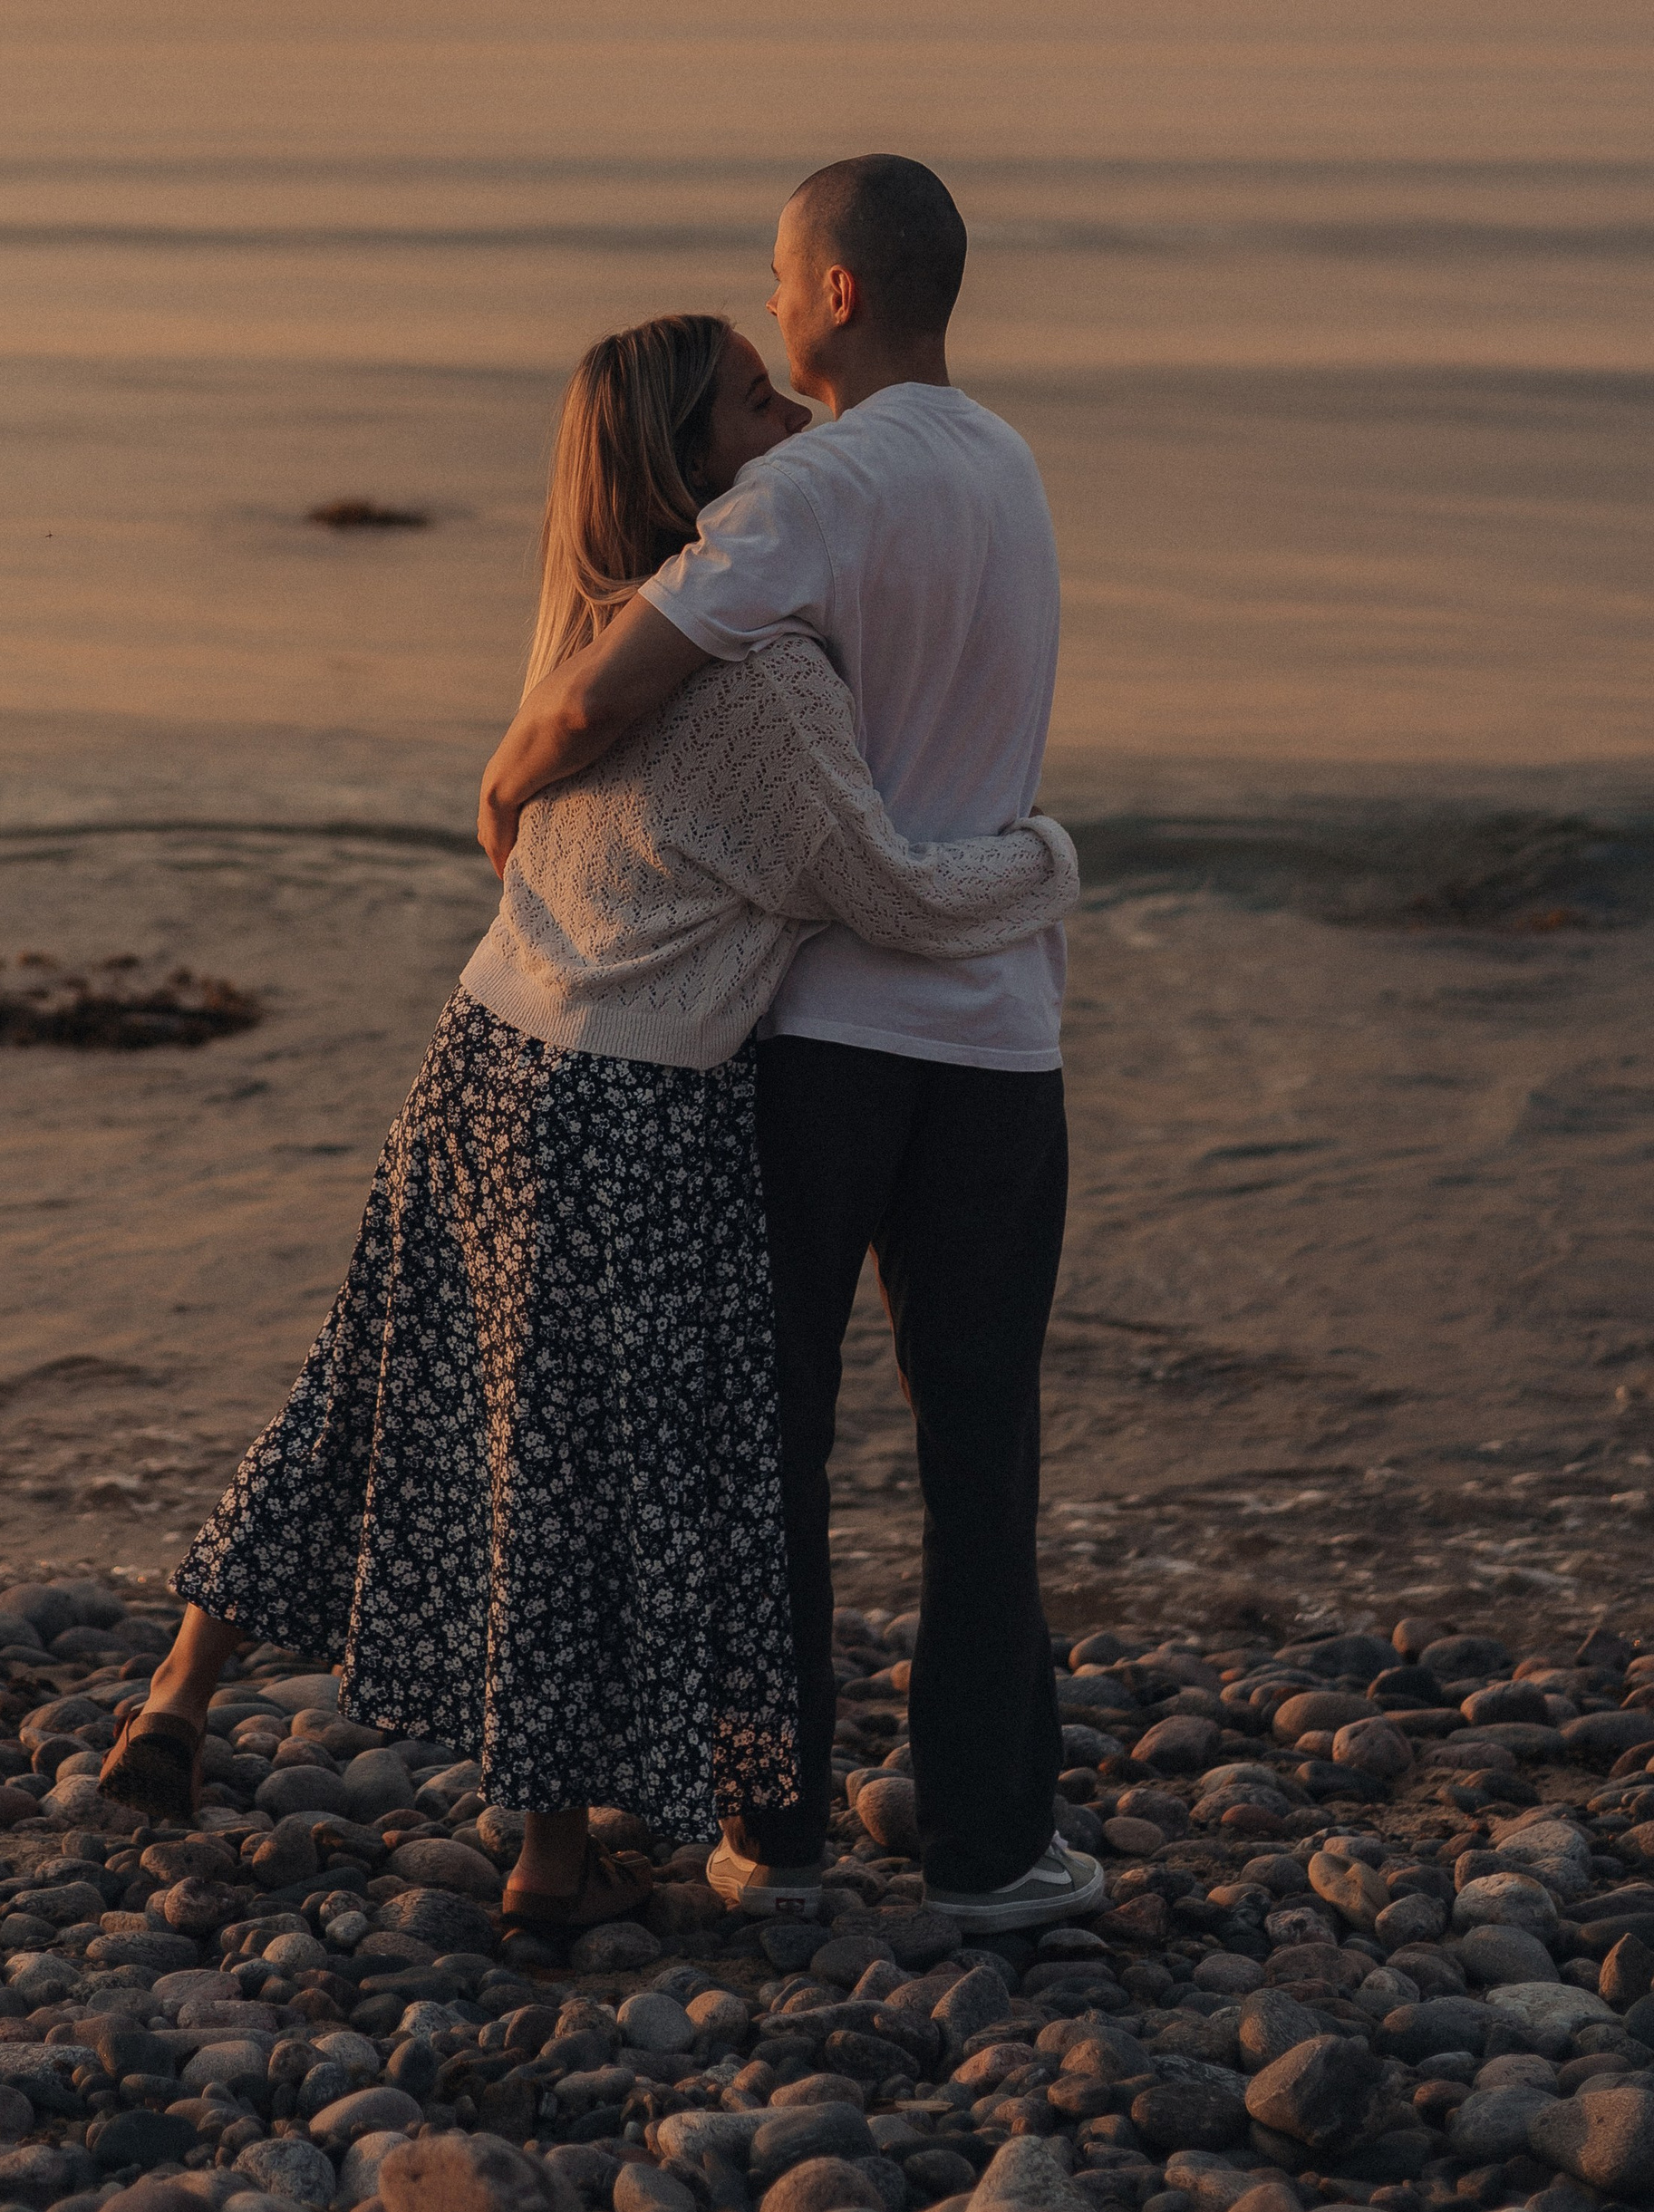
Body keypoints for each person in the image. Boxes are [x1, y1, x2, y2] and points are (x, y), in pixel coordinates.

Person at [104, 309, 1079, 1936]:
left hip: (479, 1053)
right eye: (753, 408)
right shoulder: (761, 682)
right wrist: (1049, 857)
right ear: (687, 462)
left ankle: (175, 1692)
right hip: (619, 1103)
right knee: (577, 1466)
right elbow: (893, 891)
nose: (789, 424)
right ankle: (549, 1862)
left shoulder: (588, 629)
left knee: (370, 1389)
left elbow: (560, 774)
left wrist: (495, 788)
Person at [476, 159, 1103, 1934]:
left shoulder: (806, 487)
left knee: (773, 1446)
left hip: (818, 1035)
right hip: (996, 1031)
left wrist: (504, 782)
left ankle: (776, 1833)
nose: (765, 304)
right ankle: (991, 1848)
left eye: (775, 274)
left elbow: (601, 683)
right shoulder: (1010, 464)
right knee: (981, 1449)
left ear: (835, 291)